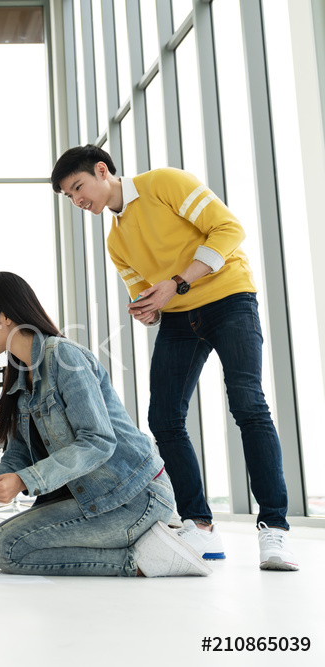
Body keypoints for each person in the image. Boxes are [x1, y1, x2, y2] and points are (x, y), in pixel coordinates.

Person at [51, 144, 298, 571]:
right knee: (164, 418)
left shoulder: (164, 182)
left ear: (103, 170)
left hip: (230, 299)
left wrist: (176, 283)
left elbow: (228, 229)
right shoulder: (116, 241)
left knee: (248, 405)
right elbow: (148, 296)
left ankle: (274, 528)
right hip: (180, 317)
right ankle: (199, 525)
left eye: (78, 187)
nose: (78, 201)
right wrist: (148, 309)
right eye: (69, 197)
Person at [0, 272, 211, 577]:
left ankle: (144, 559)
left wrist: (24, 481)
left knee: (6, 547)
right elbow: (18, 457)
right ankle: (142, 544)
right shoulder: (20, 375)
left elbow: (98, 440)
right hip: (92, 496)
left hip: (132, 496)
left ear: (6, 317)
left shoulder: (64, 357)